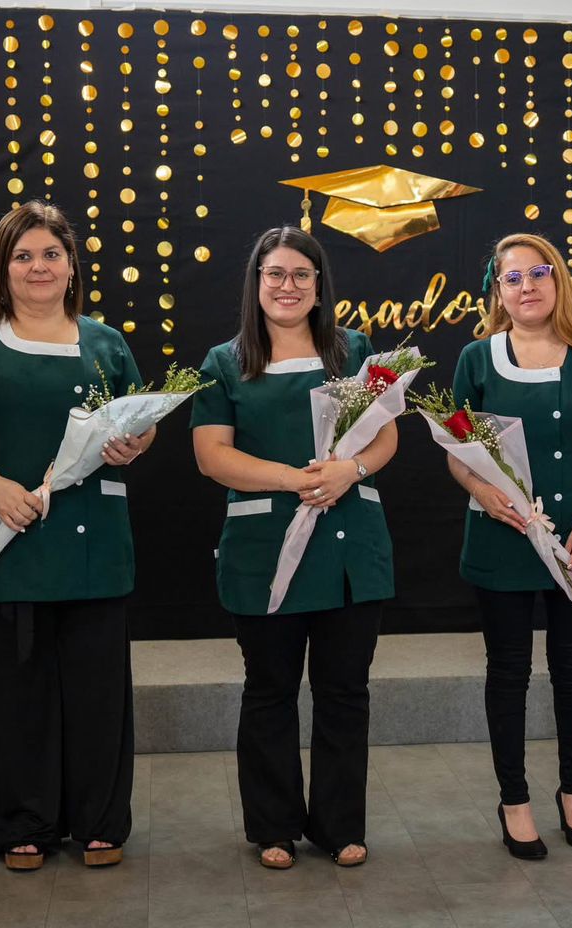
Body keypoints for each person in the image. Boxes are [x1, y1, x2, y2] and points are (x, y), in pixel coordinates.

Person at [0, 201, 149, 871]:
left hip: (94, 545)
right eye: (23, 256)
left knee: (97, 692)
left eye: (51, 254)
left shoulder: (106, 343)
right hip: (10, 541)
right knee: (18, 693)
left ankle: (98, 821)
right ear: (2, 268)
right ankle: (22, 821)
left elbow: (140, 420)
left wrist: (136, 442)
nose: (38, 266)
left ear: (72, 266)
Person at [191, 225, 394, 870]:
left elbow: (385, 438)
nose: (288, 285)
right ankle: (273, 827)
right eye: (275, 273)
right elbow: (211, 455)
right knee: (269, 690)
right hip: (263, 550)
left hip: (349, 550)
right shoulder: (224, 362)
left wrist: (349, 471)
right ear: (256, 283)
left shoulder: (355, 351)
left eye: (301, 274)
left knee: (345, 692)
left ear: (319, 286)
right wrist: (294, 479)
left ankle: (340, 826)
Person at [450, 232, 572, 859]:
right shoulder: (476, 359)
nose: (526, 286)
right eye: (513, 277)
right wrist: (482, 489)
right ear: (497, 291)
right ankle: (515, 800)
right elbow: (457, 453)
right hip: (500, 539)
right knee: (508, 671)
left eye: (538, 272)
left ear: (559, 280)